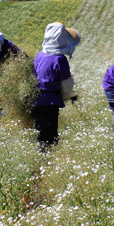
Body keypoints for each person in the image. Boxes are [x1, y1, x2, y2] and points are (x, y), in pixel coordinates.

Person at [32, 22, 81, 152]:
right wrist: (66, 97)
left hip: (36, 99)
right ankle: (46, 161)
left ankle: (40, 155)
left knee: (40, 131)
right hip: (50, 102)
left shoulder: (40, 54)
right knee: (49, 135)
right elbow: (66, 85)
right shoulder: (60, 59)